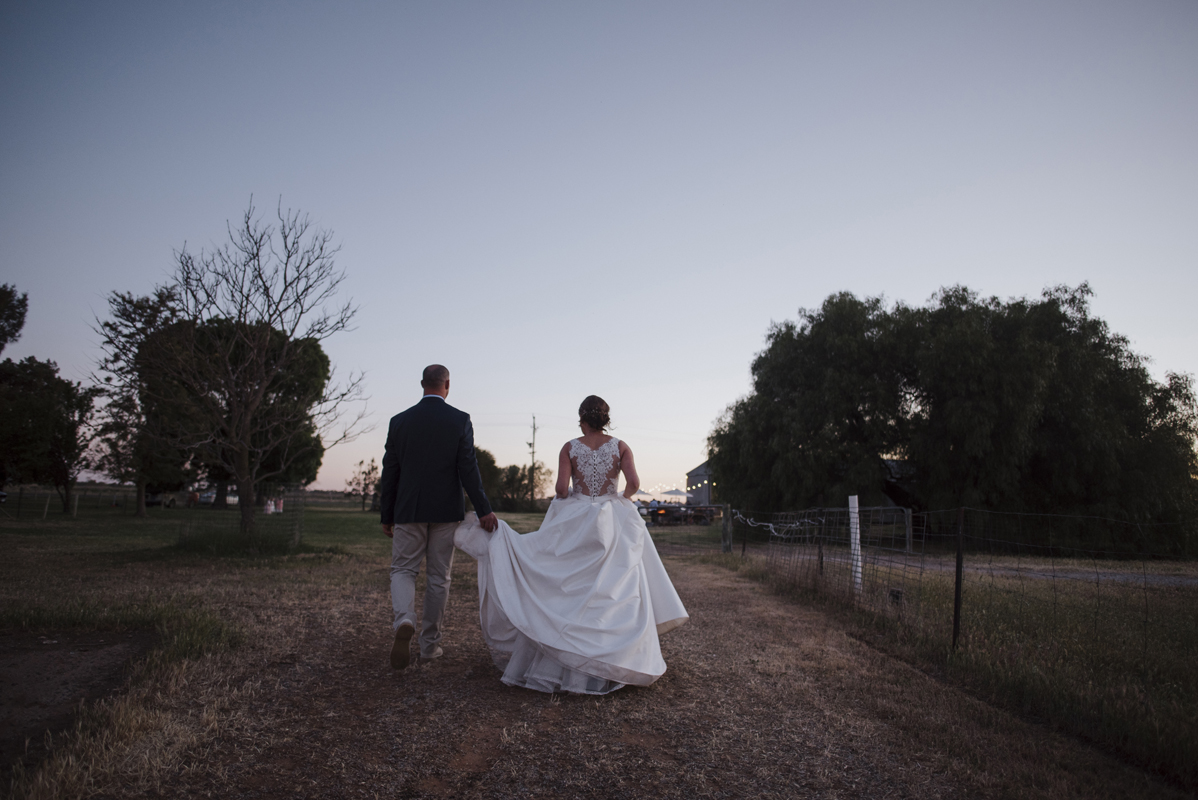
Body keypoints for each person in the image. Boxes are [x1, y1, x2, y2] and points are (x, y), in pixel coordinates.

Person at [455, 395, 688, 694]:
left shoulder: (570, 447)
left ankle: (562, 659)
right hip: (611, 517)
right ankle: (612, 663)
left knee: (567, 582)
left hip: (577, 516)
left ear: (582, 417)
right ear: (605, 418)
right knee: (612, 587)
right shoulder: (620, 446)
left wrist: (575, 495)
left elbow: (561, 489)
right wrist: (617, 499)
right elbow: (633, 483)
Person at [379, 364, 498, 670]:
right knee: (438, 578)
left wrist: (386, 514)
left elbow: (390, 471)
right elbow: (468, 468)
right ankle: (430, 647)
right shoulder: (459, 420)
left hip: (408, 509)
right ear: (447, 384)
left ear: (422, 384)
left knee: (403, 570)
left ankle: (404, 618)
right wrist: (484, 509)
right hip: (446, 511)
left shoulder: (399, 422)